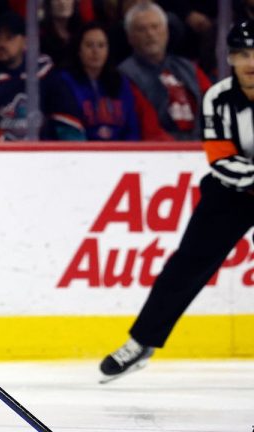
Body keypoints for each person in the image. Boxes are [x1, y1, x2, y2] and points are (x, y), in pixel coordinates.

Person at [100, 20, 254, 383]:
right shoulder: (217, 98)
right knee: (186, 266)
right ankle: (142, 342)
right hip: (229, 193)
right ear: (231, 58)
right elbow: (221, 160)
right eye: (243, 54)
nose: (250, 62)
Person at [0, 11, 85, 141]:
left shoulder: (43, 72)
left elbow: (67, 120)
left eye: (9, 38)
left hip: (42, 156)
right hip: (0, 157)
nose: (1, 44)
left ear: (25, 42)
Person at [59, 21, 172, 141]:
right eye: (89, 45)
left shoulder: (121, 82)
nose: (95, 51)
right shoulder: (65, 82)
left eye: (101, 45)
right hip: (83, 154)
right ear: (78, 50)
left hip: (120, 154)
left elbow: (132, 128)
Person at [118, 2, 211, 141]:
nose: (150, 34)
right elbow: (148, 129)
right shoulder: (125, 75)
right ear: (130, 38)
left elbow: (213, 103)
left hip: (200, 143)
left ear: (166, 31)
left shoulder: (188, 67)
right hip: (161, 151)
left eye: (155, 27)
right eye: (141, 29)